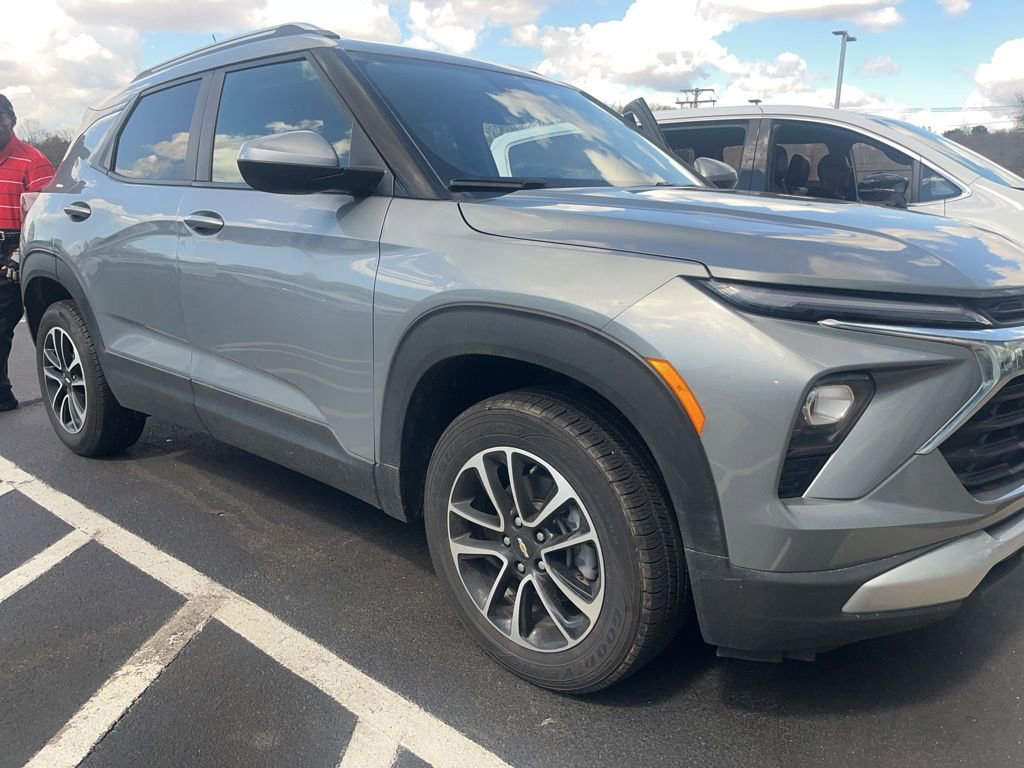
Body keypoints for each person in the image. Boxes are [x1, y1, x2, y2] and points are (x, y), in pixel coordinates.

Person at [0, 93, 55, 411]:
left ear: (11, 120)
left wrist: (19, 253)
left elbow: (44, 217)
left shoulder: (34, 162)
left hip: (14, 251)